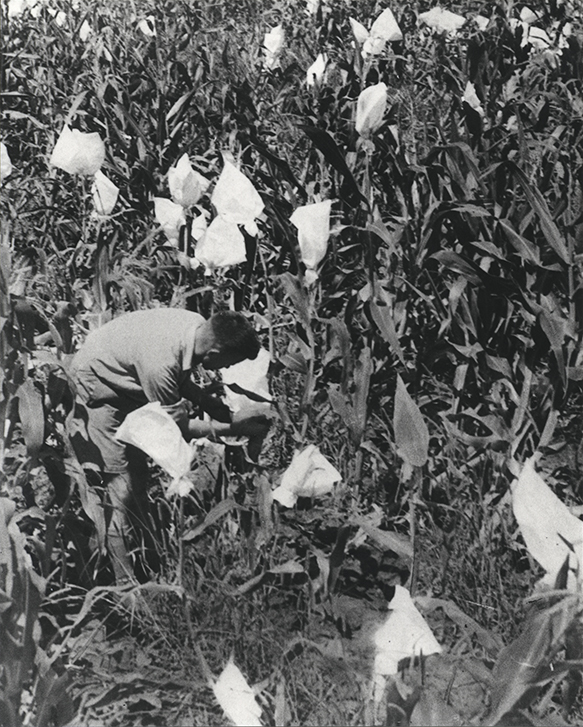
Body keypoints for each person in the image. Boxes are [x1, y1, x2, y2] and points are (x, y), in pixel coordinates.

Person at [68, 307, 271, 586]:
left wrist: (211, 404)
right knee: (119, 489)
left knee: (137, 477)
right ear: (215, 352)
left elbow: (181, 378)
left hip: (126, 375)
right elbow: (176, 429)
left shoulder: (195, 326)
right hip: (99, 388)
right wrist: (234, 428)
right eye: (228, 362)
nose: (225, 369)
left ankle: (142, 554)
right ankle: (125, 586)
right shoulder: (160, 363)